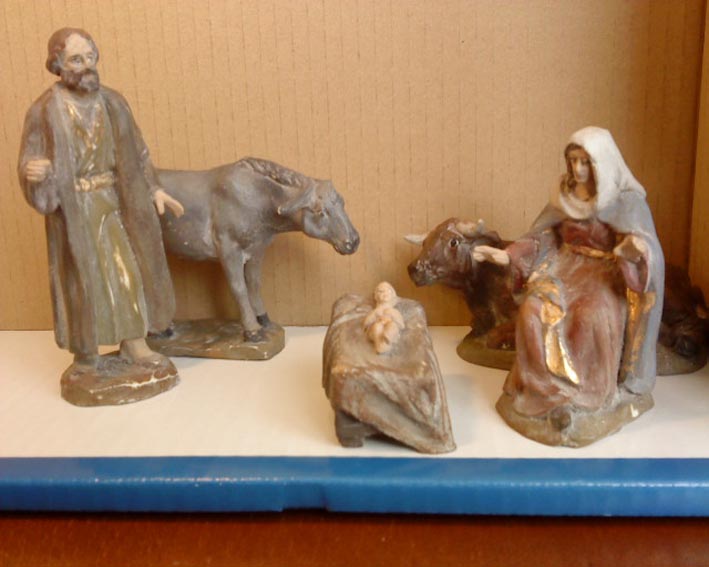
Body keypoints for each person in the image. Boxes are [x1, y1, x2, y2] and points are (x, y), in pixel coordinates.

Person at [474, 127, 664, 444]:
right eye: (573, 160)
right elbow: (543, 237)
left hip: (606, 273)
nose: (577, 169)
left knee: (591, 315)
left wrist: (636, 251)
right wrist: (508, 255)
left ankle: (587, 394)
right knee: (532, 310)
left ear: (602, 163)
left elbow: (646, 248)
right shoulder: (563, 196)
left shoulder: (626, 202)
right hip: (564, 268)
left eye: (585, 162)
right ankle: (542, 390)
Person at [18, 28, 184, 369]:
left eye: (90, 57)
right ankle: (86, 353)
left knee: (127, 271)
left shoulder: (113, 103)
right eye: (76, 60)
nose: (87, 66)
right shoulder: (44, 110)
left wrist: (154, 189)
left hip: (114, 201)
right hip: (74, 209)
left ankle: (134, 343)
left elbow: (138, 151)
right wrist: (33, 171)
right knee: (83, 280)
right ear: (58, 65)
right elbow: (30, 158)